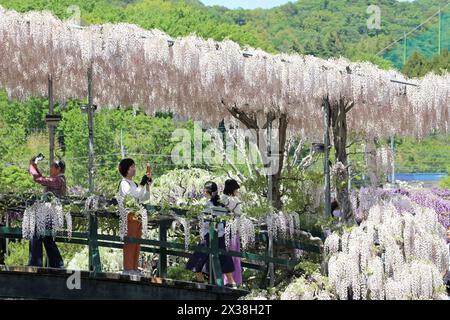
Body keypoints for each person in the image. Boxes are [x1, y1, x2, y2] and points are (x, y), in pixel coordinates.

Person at [186, 181, 236, 288]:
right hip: (221, 235)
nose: (203, 192)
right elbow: (227, 217)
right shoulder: (222, 203)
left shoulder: (208, 204)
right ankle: (231, 282)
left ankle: (200, 280)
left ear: (207, 191)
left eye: (204, 190)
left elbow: (207, 222)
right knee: (224, 256)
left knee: (198, 256)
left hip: (210, 234)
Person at [28, 156, 66, 268]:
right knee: (47, 238)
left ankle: (35, 263)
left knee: (36, 232)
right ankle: (57, 264)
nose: (50, 169)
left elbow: (39, 179)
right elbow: (41, 178)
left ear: (58, 168)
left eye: (52, 166)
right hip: (50, 214)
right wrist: (34, 166)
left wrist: (32, 166)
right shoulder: (57, 180)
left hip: (50, 213)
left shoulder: (59, 180)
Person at [118, 158, 152, 276]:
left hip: (137, 216)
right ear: (127, 169)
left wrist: (147, 185)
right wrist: (142, 183)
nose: (134, 169)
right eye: (132, 166)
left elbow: (144, 197)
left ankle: (134, 268)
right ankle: (128, 269)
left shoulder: (134, 184)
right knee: (130, 243)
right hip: (128, 216)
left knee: (137, 243)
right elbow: (134, 195)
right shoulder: (124, 183)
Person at [221, 179, 242, 286]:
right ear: (233, 189)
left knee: (224, 254)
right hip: (233, 230)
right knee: (233, 255)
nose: (237, 191)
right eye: (236, 189)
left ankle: (224, 280)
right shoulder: (235, 200)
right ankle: (234, 280)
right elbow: (238, 215)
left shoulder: (221, 198)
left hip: (221, 230)